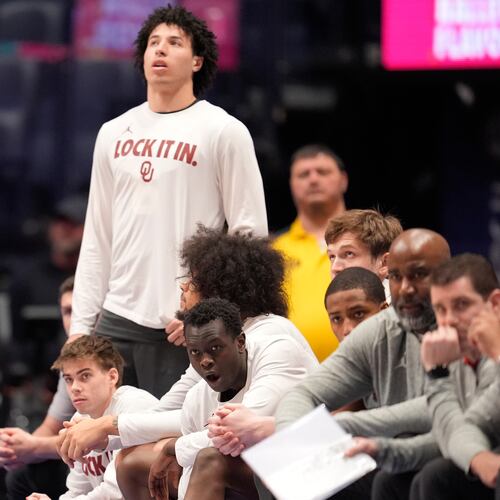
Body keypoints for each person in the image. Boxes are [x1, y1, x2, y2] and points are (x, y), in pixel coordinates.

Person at [70, 5, 268, 398]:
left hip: (182, 324)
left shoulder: (224, 130)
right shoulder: (112, 133)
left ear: (197, 60)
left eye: (174, 42)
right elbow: (97, 236)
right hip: (117, 316)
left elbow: (249, 233)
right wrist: (79, 328)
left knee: (167, 450)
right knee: (102, 451)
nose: (159, 49)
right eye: (153, 43)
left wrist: (209, 306)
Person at [56, 229, 317, 497]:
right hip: (251, 462)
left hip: (301, 467)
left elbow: (240, 433)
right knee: (133, 461)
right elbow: (166, 414)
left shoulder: (276, 340)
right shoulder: (208, 354)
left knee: (207, 458)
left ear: (219, 290)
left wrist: (172, 446)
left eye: (192, 281)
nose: (183, 287)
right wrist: (99, 431)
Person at [274, 228, 451, 499]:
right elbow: (304, 394)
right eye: (396, 276)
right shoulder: (380, 329)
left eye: (418, 274)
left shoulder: (467, 326)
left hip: (454, 453)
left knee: (412, 478)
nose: (406, 288)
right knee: (291, 474)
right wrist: (296, 441)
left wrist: (347, 424)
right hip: (391, 455)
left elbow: (443, 406)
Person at [206, 266, 389, 454]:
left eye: (358, 314)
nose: (347, 328)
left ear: (385, 310)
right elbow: (306, 397)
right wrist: (237, 425)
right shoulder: (348, 362)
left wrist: (260, 426)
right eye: (336, 319)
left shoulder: (404, 350)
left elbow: (340, 422)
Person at [148, 298, 313, 500]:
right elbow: (192, 476)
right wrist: (178, 449)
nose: (205, 361)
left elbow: (242, 428)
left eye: (215, 348)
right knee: (139, 462)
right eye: (195, 352)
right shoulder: (195, 400)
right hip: (257, 484)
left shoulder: (278, 353)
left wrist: (174, 447)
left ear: (240, 342)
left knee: (211, 458)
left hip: (311, 470)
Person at [409, 254, 500, 500]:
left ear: (495, 304)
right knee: (403, 479)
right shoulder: (461, 354)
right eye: (440, 310)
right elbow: (464, 428)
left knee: (438, 476)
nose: (448, 320)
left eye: (461, 305)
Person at [27, 335, 158, 500]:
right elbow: (77, 491)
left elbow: (116, 493)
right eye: (68, 379)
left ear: (112, 377)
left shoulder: (135, 404)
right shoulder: (79, 418)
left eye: (85, 376)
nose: (74, 388)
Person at [1, 276, 75, 500]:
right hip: (74, 455)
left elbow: (91, 438)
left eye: (79, 310)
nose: (74, 320)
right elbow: (50, 426)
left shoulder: (113, 357)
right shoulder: (71, 357)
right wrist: (18, 448)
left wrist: (33, 447)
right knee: (18, 472)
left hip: (104, 457)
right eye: (67, 311)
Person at [273, 144, 348, 361]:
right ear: (291, 185)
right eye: (304, 174)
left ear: (343, 180)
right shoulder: (272, 250)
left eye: (323, 172)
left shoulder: (368, 241)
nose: (313, 179)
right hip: (292, 377)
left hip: (366, 376)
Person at [325, 208, 403, 301]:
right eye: (332, 257)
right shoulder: (338, 308)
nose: (335, 268)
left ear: (385, 263)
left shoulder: (406, 311)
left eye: (349, 253)